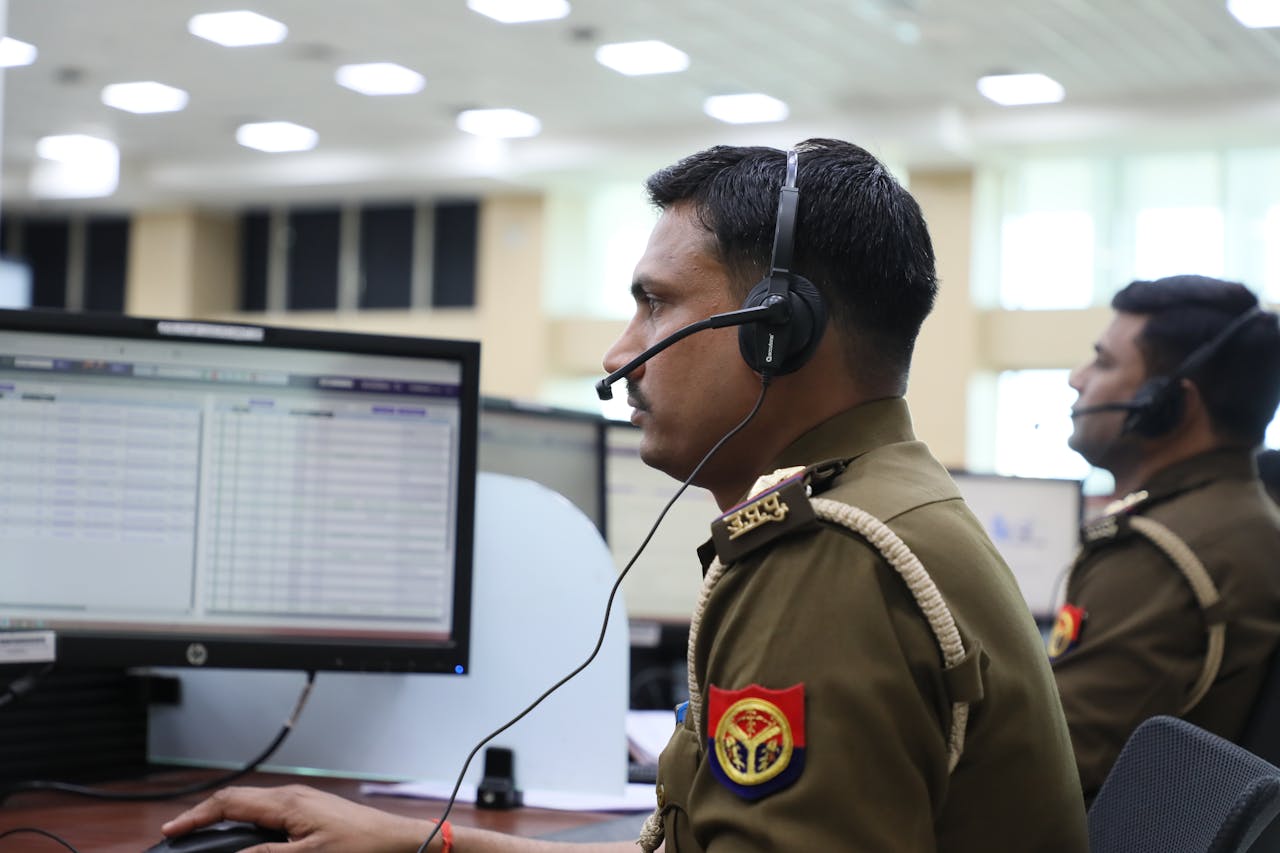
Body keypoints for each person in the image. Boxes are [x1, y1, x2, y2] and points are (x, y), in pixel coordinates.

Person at [160, 139, 1088, 851]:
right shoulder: (886, 505)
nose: (618, 354)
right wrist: (425, 837)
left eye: (655, 303)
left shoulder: (832, 562)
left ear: (778, 331)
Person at [1050, 274, 1280, 802]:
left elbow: (1047, 761)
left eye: (1104, 363)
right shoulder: (1243, 517)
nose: (1076, 379)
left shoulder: (1159, 556)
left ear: (1167, 403)